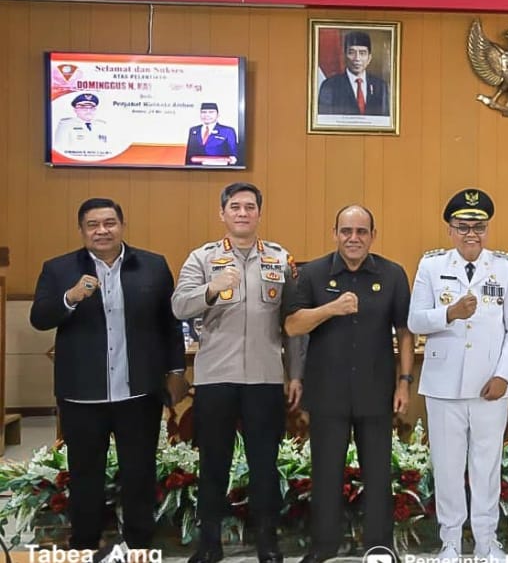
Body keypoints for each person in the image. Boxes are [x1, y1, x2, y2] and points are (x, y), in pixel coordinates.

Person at [29, 198, 187, 557]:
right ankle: (85, 543)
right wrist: (70, 298)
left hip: (138, 392)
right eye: (93, 225)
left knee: (139, 471)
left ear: (122, 225)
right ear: (81, 230)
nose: (102, 231)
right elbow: (39, 318)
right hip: (82, 394)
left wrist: (177, 371)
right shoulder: (58, 269)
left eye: (109, 223)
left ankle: (139, 543)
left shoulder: (153, 265)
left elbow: (170, 323)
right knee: (85, 473)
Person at [172, 183, 302, 563]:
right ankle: (209, 542)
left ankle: (267, 542)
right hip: (216, 377)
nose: (242, 213)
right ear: (222, 213)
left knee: (265, 464)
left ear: (259, 213)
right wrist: (211, 289)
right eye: (235, 207)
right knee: (213, 463)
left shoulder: (280, 259)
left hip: (265, 378)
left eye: (249, 207)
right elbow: (179, 306)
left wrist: (295, 374)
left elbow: (292, 324)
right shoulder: (202, 258)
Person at [283, 205, 414, 563]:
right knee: (326, 473)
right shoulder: (312, 273)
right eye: (346, 231)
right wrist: (331, 309)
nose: (353, 238)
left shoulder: (392, 274)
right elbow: (292, 325)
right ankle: (324, 545)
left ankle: (379, 544)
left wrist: (404, 383)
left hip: (377, 390)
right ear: (335, 233)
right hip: (327, 391)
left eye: (361, 231)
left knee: (378, 472)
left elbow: (405, 332)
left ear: (373, 236)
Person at [407, 188, 508, 563]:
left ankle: (487, 542)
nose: (471, 234)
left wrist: (504, 375)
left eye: (479, 227)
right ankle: (451, 543)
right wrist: (450, 313)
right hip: (444, 385)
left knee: (486, 467)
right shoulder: (431, 266)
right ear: (450, 230)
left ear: (487, 229)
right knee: (447, 468)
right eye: (463, 226)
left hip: (490, 385)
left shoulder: (505, 267)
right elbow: (415, 320)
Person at [317, 31, 390, 116]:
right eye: (352, 53)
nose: (357, 58)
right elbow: (324, 118)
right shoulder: (330, 85)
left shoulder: (380, 86)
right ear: (344, 56)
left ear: (369, 58)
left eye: (362, 53)